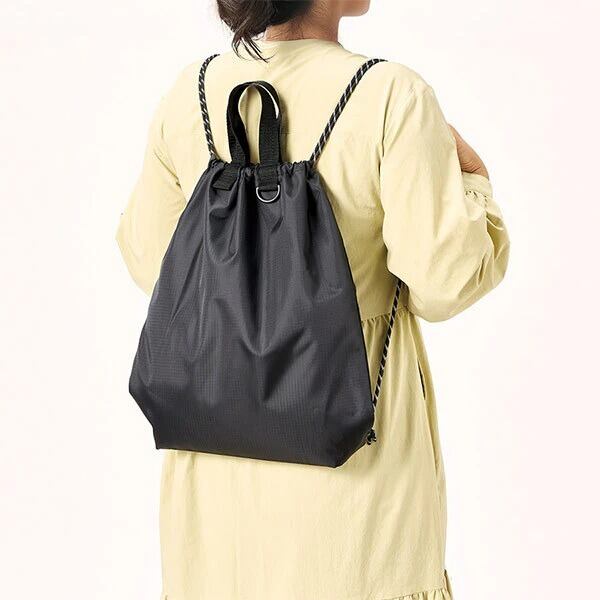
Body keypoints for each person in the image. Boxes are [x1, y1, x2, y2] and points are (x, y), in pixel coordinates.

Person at [116, 1, 510, 598]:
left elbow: (151, 260)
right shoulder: (389, 96)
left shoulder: (190, 93)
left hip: (214, 496)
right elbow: (446, 281)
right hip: (351, 489)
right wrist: (474, 181)